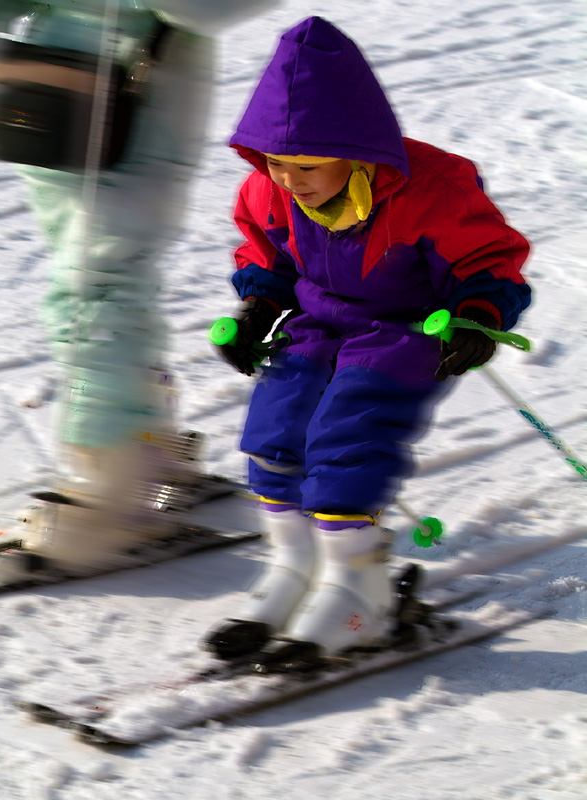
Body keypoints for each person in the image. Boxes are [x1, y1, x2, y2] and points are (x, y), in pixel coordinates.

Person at [203, 16, 531, 667]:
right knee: (274, 432)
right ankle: (294, 570)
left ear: (353, 148)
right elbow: (267, 256)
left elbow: (487, 260)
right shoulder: (268, 189)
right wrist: (256, 309)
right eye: (274, 162)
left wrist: (475, 315)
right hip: (317, 323)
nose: (288, 178)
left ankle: (358, 589)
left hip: (403, 329)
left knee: (344, 441)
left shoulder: (430, 191)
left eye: (305, 164)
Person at [0, 0, 273, 577]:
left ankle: (116, 472)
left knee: (98, 281)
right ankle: (133, 457)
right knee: (95, 278)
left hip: (115, 84)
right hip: (72, 90)